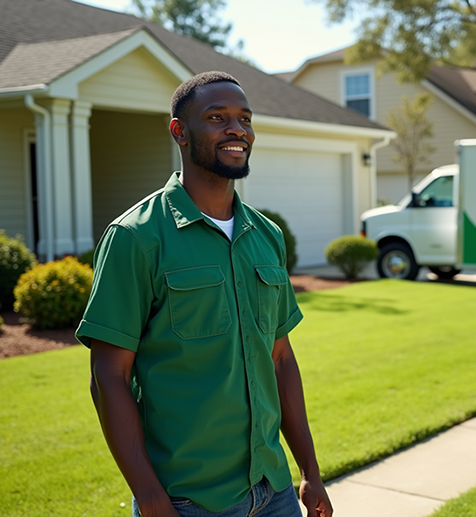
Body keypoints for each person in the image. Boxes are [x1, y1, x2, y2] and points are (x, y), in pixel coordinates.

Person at [76, 71, 333, 517]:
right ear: (179, 131)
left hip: (274, 493)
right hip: (188, 501)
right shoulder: (136, 237)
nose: (237, 129)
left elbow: (280, 358)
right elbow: (108, 377)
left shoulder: (266, 235)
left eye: (245, 119)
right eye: (217, 117)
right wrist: (152, 498)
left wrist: (309, 468)